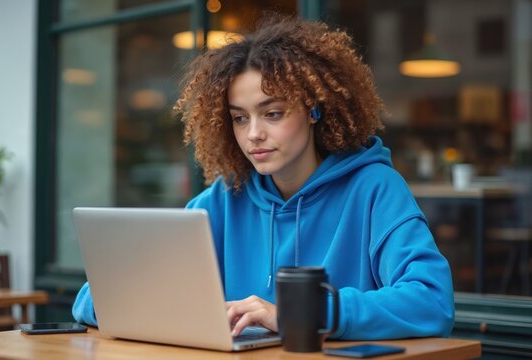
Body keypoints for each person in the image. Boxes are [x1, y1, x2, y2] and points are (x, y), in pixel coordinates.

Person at [73, 14, 454, 340]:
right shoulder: (223, 199)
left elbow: (432, 302)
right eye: (240, 118)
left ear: (314, 111)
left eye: (272, 113)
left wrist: (301, 313)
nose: (253, 133)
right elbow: (90, 299)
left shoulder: (373, 188)